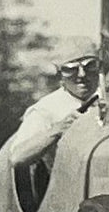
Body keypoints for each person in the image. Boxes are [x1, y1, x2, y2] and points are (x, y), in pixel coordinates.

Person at [9, 36, 101, 168]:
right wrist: (59, 129)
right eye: (71, 69)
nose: (82, 75)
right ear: (60, 74)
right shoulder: (46, 110)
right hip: (70, 185)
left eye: (90, 66)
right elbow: (17, 157)